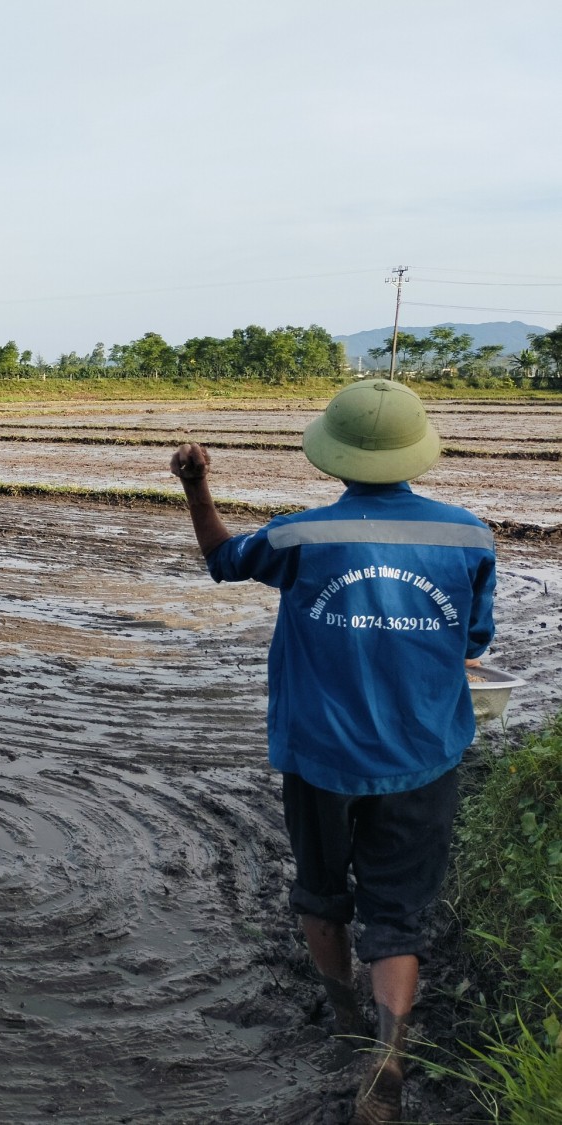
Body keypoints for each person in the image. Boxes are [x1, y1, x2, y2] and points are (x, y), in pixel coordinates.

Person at [168, 378, 495, 1124]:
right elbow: (473, 640)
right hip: (424, 753)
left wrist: (197, 483)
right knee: (399, 912)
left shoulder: (300, 536)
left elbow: (222, 556)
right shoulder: (469, 535)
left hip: (320, 753)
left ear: (334, 456)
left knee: (321, 889)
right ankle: (388, 1051)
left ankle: (343, 1015)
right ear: (416, 452)